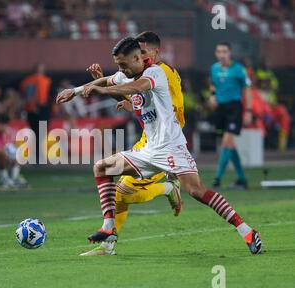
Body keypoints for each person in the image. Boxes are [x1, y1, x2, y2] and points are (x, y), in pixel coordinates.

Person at [56, 37, 262, 255]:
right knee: (101, 167)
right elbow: (109, 79)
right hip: (148, 149)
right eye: (118, 65)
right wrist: (76, 90)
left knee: (196, 191)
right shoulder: (126, 73)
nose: (120, 69)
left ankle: (246, 230)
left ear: (138, 58)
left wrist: (102, 91)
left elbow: (135, 87)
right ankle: (108, 229)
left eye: (124, 64)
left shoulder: (155, 73)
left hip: (172, 147)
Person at [80, 31, 185, 256]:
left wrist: (111, 89)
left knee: (124, 194)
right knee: (116, 191)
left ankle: (169, 188)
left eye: (144, 53)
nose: (141, 58)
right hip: (148, 142)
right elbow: (142, 104)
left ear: (156, 52)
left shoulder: (161, 73)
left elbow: (167, 112)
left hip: (164, 147)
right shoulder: (149, 73)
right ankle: (108, 246)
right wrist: (117, 94)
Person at [209, 42, 252, 189]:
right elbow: (212, 84)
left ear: (230, 53)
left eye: (225, 51)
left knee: (226, 142)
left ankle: (217, 178)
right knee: (230, 144)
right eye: (219, 51)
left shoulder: (239, 69)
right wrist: (213, 95)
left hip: (235, 108)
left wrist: (249, 111)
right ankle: (242, 179)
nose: (222, 54)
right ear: (216, 53)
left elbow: (247, 89)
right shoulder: (214, 68)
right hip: (221, 109)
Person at [20, 63, 52, 162]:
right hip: (41, 109)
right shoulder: (45, 80)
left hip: (30, 110)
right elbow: (45, 96)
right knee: (41, 133)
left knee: (34, 132)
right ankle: (40, 156)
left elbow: (23, 95)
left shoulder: (25, 81)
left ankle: (35, 155)